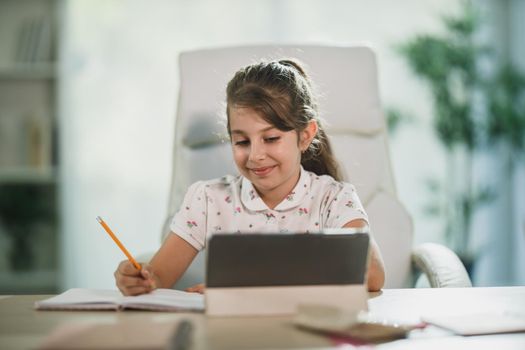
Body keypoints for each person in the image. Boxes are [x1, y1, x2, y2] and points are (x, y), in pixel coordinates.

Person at [115, 59, 386, 296]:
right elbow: (159, 277)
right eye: (242, 141)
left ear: (305, 136)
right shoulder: (208, 199)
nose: (255, 155)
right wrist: (140, 279)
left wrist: (251, 291)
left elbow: (372, 276)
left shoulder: (334, 198)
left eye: (270, 138)